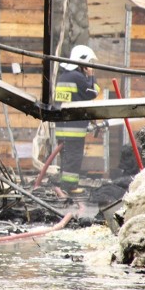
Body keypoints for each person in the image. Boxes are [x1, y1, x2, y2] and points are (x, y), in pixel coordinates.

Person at [54, 45, 101, 192]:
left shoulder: (63, 76)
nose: (89, 67)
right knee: (73, 157)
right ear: (82, 63)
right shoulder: (77, 77)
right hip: (74, 128)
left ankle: (64, 185)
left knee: (66, 158)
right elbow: (92, 92)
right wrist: (91, 75)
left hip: (62, 126)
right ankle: (70, 186)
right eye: (88, 64)